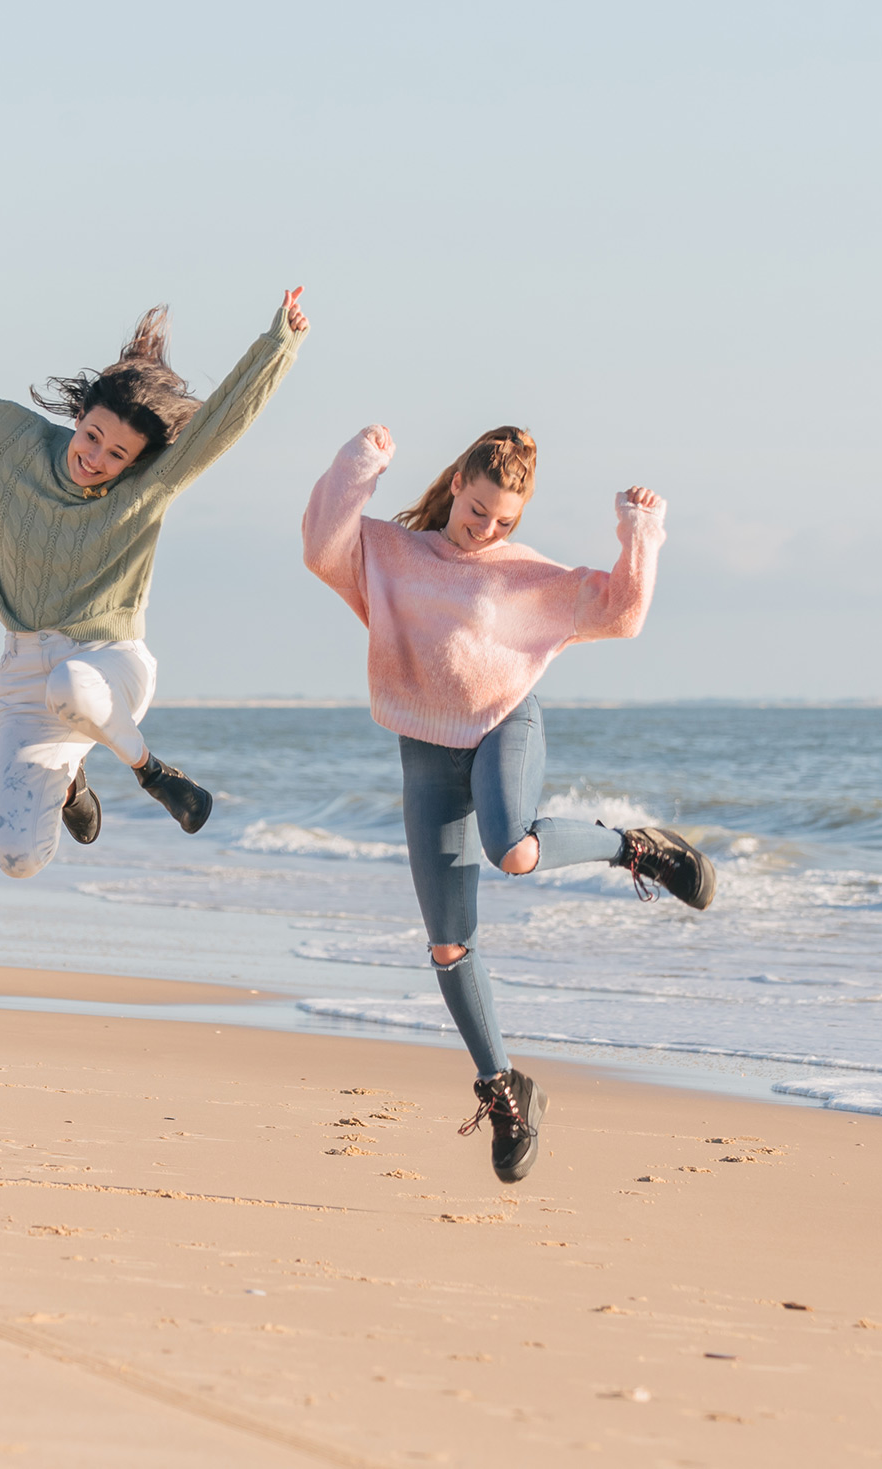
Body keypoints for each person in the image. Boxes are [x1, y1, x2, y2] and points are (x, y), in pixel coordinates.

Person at [0, 225, 309, 879]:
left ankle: (153, 772)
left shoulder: (149, 486)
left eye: (117, 455)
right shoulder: (3, 441)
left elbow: (221, 423)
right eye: (94, 436)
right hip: (25, 672)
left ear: (138, 461)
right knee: (16, 858)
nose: (97, 458)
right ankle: (72, 782)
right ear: (81, 416)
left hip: (111, 664)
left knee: (72, 683)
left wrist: (280, 342)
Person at [302, 424, 715, 1182]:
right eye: (479, 511)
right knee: (448, 945)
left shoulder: (522, 572)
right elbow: (322, 546)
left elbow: (623, 611)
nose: (488, 528)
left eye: (504, 521)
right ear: (458, 481)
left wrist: (640, 531)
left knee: (514, 847)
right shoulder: (394, 554)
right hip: (425, 747)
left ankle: (639, 848)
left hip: (503, 724)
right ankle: (505, 1089)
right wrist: (362, 464)